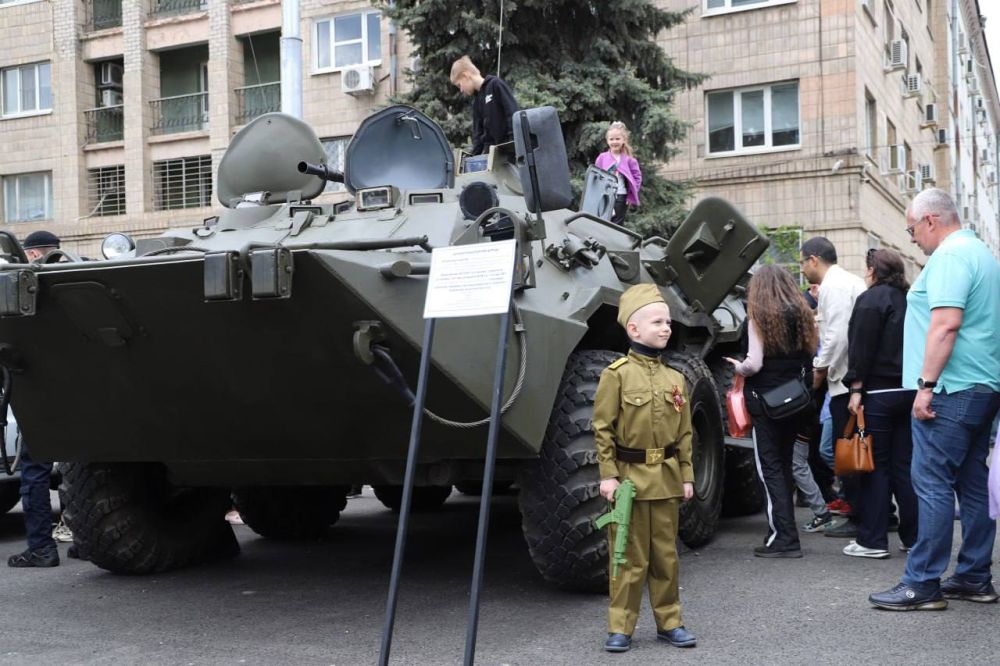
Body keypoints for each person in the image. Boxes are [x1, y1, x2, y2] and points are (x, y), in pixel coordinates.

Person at [870, 188, 1000, 610]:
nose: (912, 239)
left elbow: (945, 325)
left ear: (931, 220)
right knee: (973, 486)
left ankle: (922, 583)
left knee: (931, 484)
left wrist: (925, 385)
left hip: (951, 389)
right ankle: (974, 577)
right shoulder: (981, 253)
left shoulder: (949, 257)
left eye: (911, 229)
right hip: (982, 387)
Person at [592, 283, 696, 653]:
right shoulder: (616, 375)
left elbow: (684, 433)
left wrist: (686, 475)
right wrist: (608, 474)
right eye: (657, 322)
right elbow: (602, 428)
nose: (666, 328)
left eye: (667, 322)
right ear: (633, 330)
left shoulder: (676, 379)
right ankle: (620, 625)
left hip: (666, 480)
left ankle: (670, 621)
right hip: (629, 483)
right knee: (627, 557)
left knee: (665, 556)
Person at [725, 265, 818, 557]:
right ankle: (780, 530)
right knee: (785, 465)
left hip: (766, 404)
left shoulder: (759, 318)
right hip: (797, 402)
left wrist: (736, 366)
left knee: (769, 469)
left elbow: (754, 363)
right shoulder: (803, 315)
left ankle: (784, 538)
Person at [841, 249, 918, 559]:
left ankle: (873, 540)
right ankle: (914, 538)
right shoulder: (910, 298)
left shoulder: (871, 300)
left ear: (873, 270)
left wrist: (856, 388)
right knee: (905, 466)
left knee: (876, 467)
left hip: (879, 393)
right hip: (910, 390)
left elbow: (861, 347)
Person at [799, 236, 866, 537]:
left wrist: (818, 370)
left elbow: (836, 337)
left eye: (802, 262)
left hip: (845, 383)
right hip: (854, 379)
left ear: (814, 259)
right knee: (854, 450)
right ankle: (872, 513)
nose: (801, 270)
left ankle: (858, 516)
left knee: (847, 451)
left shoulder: (833, 287)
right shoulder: (846, 282)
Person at [7, 231, 62, 568]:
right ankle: (84, 541)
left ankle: (41, 546)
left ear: (33, 253)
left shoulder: (29, 285)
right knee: (78, 468)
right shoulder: (69, 279)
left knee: (35, 472)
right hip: (77, 394)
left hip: (40, 395)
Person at [450, 55, 520, 156]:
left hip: (511, 153)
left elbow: (513, 113)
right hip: (493, 157)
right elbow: (478, 135)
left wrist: (513, 143)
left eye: (459, 85)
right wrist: (473, 156)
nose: (461, 90)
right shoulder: (477, 102)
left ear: (466, 75)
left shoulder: (495, 85)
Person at [594, 121, 642, 225]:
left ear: (624, 140)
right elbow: (596, 176)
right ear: (607, 141)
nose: (614, 142)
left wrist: (631, 194)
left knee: (617, 223)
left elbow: (637, 178)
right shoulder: (602, 158)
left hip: (621, 195)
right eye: (611, 139)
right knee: (603, 221)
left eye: (617, 139)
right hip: (605, 194)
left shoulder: (629, 160)